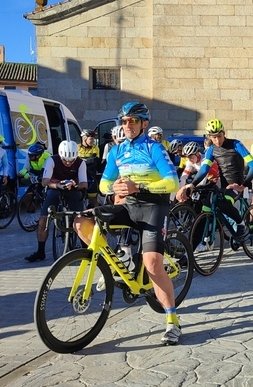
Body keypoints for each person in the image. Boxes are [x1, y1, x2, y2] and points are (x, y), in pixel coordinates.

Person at [74, 102, 182, 345]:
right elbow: (102, 184)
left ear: (143, 123)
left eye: (132, 120)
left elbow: (172, 183)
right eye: (124, 121)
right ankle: (114, 265)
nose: (128, 125)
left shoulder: (154, 148)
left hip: (154, 206)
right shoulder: (116, 151)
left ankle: (172, 321)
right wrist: (113, 187)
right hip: (129, 205)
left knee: (153, 265)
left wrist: (139, 186)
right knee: (82, 222)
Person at [176, 118, 253, 245]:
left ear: (224, 133)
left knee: (223, 203)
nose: (217, 140)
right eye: (213, 138)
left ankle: (241, 224)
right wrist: (192, 184)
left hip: (237, 185)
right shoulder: (211, 150)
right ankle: (190, 251)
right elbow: (204, 170)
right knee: (205, 209)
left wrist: (243, 186)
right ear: (210, 137)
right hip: (223, 186)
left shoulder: (236, 144)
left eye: (219, 136)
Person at [25, 140, 88, 262]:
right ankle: (40, 251)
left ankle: (86, 250)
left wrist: (76, 186)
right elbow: (44, 182)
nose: (68, 163)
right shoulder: (52, 160)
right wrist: (57, 185)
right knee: (43, 219)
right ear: (60, 156)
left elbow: (84, 183)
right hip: (55, 187)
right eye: (65, 160)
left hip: (73, 189)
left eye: (72, 160)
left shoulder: (81, 163)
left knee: (80, 218)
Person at [79, 129, 100, 208]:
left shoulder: (95, 148)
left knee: (94, 200)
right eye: (91, 139)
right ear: (84, 138)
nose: (93, 141)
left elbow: (94, 160)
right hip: (79, 177)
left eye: (93, 139)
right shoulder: (77, 147)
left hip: (90, 177)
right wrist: (87, 160)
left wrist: (81, 159)